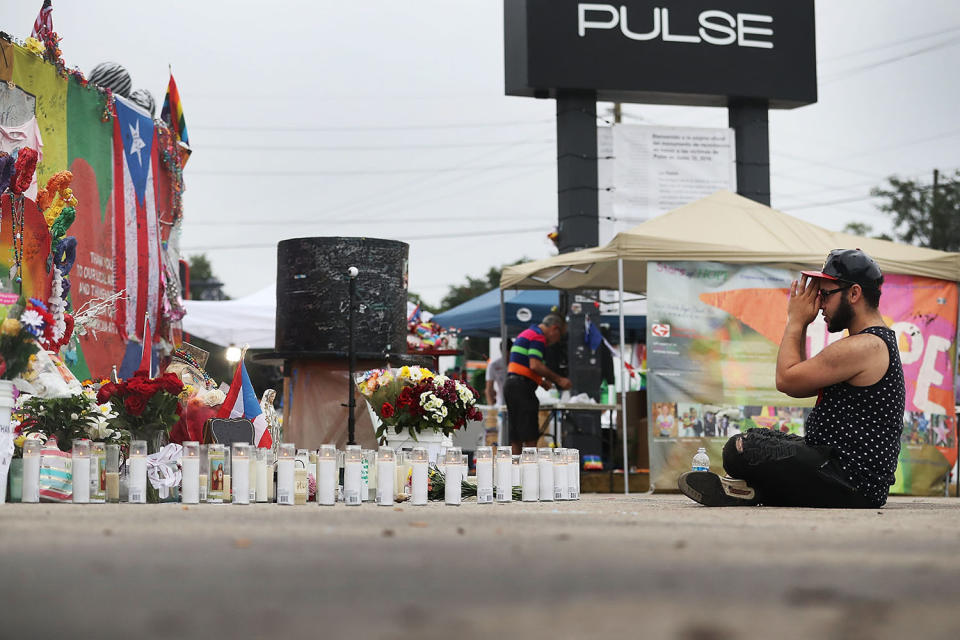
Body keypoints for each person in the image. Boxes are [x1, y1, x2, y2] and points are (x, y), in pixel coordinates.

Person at [679, 249, 905, 508]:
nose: (819, 304)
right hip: (841, 471)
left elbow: (786, 380)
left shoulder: (865, 346)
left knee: (740, 449)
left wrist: (795, 320)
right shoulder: (871, 342)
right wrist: (802, 325)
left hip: (848, 479)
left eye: (825, 294)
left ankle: (757, 491)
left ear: (854, 294)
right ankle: (752, 491)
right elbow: (799, 385)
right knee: (754, 440)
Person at [503, 314, 573, 455]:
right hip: (522, 388)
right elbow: (535, 365)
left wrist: (540, 381)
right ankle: (530, 472)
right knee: (530, 434)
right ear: (554, 329)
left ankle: (515, 471)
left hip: (511, 384)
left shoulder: (527, 333)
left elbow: (523, 366)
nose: (556, 341)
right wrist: (559, 380)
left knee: (516, 434)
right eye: (559, 336)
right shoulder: (538, 337)